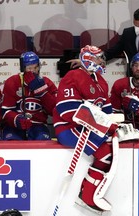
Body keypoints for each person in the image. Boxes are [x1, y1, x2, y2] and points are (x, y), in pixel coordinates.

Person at [53, 45, 120, 213]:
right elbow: (68, 111)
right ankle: (87, 196)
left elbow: (107, 111)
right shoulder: (73, 76)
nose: (102, 61)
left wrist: (115, 123)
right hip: (67, 128)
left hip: (88, 127)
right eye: (98, 58)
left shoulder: (100, 81)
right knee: (105, 154)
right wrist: (103, 125)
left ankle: (89, 194)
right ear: (89, 59)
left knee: (111, 148)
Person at [67, 7, 139, 85]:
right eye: (135, 25)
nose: (137, 28)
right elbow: (113, 50)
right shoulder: (128, 33)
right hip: (133, 81)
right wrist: (93, 58)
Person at [1, 51, 57, 140]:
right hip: (15, 127)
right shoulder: (12, 82)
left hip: (38, 125)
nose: (33, 71)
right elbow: (5, 111)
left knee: (42, 142)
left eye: (35, 67)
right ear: (23, 68)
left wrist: (42, 93)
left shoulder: (47, 83)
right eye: (29, 68)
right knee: (12, 143)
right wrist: (16, 120)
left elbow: (54, 111)